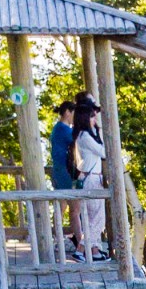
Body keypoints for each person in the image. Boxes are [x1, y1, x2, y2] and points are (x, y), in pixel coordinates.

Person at [69, 100, 108, 261]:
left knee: (94, 218)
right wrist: (98, 133)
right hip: (92, 179)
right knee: (97, 218)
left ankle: (94, 250)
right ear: (85, 118)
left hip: (91, 178)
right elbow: (104, 152)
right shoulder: (85, 136)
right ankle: (81, 249)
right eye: (92, 116)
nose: (95, 119)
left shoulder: (83, 135)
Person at [47, 100, 79, 253]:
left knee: (62, 206)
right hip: (64, 171)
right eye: (74, 114)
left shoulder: (57, 128)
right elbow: (78, 142)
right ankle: (78, 239)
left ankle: (58, 238)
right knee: (73, 206)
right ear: (67, 112)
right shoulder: (63, 129)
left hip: (58, 170)